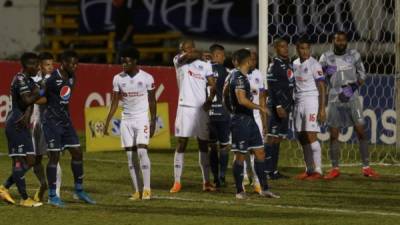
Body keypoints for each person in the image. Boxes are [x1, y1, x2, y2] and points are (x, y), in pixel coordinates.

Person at [319, 31, 379, 179]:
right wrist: (326, 70)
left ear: (346, 41)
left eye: (343, 40)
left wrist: (352, 88)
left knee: (360, 131)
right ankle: (335, 168)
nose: (340, 42)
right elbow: (319, 75)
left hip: (352, 97)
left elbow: (363, 74)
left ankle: (366, 167)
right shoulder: (326, 57)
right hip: (334, 98)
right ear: (333, 41)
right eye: (337, 40)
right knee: (334, 134)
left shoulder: (354, 55)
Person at [42, 50, 95, 207]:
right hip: (52, 122)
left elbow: (64, 100)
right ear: (63, 63)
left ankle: (78, 191)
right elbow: (40, 96)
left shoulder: (72, 77)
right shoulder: (52, 79)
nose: (75, 66)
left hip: (66, 122)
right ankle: (52, 196)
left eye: (76, 63)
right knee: (54, 157)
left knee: (77, 153)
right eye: (71, 63)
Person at [225, 48, 279, 199]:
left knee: (260, 152)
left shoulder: (239, 76)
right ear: (247, 61)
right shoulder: (238, 77)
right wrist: (260, 107)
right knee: (241, 155)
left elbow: (224, 95)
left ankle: (264, 188)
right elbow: (241, 100)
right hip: (241, 121)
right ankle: (239, 191)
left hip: (250, 120)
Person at [104, 47, 156, 200]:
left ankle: (147, 189)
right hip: (126, 120)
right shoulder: (118, 78)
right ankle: (137, 191)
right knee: (130, 156)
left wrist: (153, 121)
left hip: (141, 119)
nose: (124, 64)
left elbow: (152, 100)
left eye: (127, 61)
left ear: (135, 61)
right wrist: (107, 121)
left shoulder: (147, 78)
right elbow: (114, 102)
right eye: (122, 62)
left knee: (141, 151)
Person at [170, 39, 216, 193]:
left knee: (203, 144)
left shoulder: (205, 64)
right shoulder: (179, 61)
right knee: (182, 142)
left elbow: (212, 84)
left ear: (193, 48)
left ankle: (206, 182)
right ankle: (177, 182)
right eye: (183, 49)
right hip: (185, 107)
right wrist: (199, 54)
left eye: (188, 48)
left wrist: (209, 100)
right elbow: (186, 57)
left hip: (201, 109)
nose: (185, 51)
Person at [0, 52, 44, 207]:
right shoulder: (19, 79)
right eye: (36, 65)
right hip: (16, 124)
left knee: (30, 160)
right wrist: (40, 90)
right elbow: (27, 99)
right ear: (28, 66)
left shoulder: (28, 80)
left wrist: (28, 114)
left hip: (23, 122)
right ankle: (24, 198)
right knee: (19, 161)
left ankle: (4, 187)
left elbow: (30, 102)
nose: (38, 68)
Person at [292, 37, 326, 180]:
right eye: (302, 48)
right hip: (298, 102)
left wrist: (322, 109)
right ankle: (309, 169)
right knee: (302, 136)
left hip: (312, 101)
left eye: (307, 48)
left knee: (311, 135)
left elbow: (322, 87)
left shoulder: (315, 65)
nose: (305, 51)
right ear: (297, 49)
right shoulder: (294, 64)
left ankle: (318, 170)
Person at [31, 52, 62, 202]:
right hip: (36, 123)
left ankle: (55, 194)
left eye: (52, 64)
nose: (51, 67)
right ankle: (43, 184)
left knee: (53, 157)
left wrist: (29, 99)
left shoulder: (54, 80)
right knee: (35, 160)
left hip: (49, 123)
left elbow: (45, 99)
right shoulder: (35, 79)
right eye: (47, 65)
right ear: (40, 67)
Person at [265, 38, 294, 179]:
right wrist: (277, 105)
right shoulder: (274, 65)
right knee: (271, 138)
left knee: (278, 139)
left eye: (286, 46)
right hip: (276, 106)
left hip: (286, 106)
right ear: (276, 48)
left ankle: (273, 171)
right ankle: (266, 171)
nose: (285, 49)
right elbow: (271, 87)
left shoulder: (288, 64)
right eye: (282, 47)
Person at [243, 49, 268, 193]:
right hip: (242, 117)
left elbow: (262, 99)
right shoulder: (237, 74)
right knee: (242, 149)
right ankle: (246, 175)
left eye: (254, 59)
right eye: (249, 59)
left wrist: (264, 123)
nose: (252, 61)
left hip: (256, 117)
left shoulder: (259, 75)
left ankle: (257, 180)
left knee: (257, 149)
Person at [207, 44, 231, 188]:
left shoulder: (203, 69)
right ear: (216, 55)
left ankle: (214, 177)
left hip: (208, 113)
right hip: (222, 113)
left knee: (212, 146)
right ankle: (222, 177)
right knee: (224, 146)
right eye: (222, 55)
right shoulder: (226, 71)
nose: (224, 57)